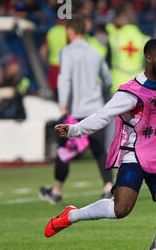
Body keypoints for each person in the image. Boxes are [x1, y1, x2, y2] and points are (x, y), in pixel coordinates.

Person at [44, 38, 156, 250]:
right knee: (121, 209)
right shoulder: (131, 92)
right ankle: (73, 214)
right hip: (135, 155)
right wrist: (74, 130)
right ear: (149, 59)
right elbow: (102, 116)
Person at [39, 15, 114, 205]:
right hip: (96, 109)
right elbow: (108, 80)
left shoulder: (66, 52)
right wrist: (103, 96)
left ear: (71, 32)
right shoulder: (95, 52)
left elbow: (64, 80)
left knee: (64, 151)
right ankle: (108, 187)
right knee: (99, 151)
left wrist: (63, 106)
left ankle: (56, 191)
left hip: (75, 111)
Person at [106, 2, 150, 92]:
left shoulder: (114, 37)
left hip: (117, 84)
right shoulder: (145, 39)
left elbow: (107, 61)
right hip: (138, 86)